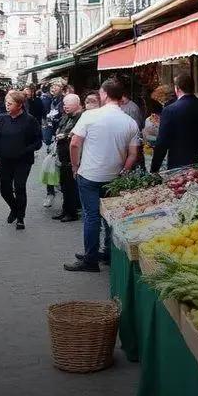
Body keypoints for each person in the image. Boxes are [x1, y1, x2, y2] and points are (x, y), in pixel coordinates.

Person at [66, 79, 141, 272]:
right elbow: (133, 154)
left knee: (91, 217)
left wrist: (75, 166)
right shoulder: (130, 122)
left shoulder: (90, 116)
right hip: (114, 177)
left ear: (105, 94)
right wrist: (124, 169)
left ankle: (91, 258)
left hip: (89, 174)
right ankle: (108, 253)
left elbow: (74, 144)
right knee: (109, 217)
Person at [0, 91, 42, 230]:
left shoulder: (30, 120)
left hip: (23, 161)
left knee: (19, 187)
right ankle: (14, 208)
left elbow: (38, 142)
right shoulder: (2, 119)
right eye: (6, 103)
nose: (7, 105)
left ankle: (20, 218)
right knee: (5, 190)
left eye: (10, 103)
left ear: (20, 105)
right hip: (4, 160)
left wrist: (24, 150)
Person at [151, 75, 198, 173]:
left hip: (179, 167)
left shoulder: (169, 110)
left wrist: (154, 170)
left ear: (177, 89)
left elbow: (162, 143)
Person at [52, 94, 84, 222]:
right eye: (64, 104)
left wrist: (64, 135)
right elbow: (60, 127)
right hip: (63, 157)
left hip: (72, 158)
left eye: (68, 104)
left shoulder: (81, 117)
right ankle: (65, 210)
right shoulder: (67, 116)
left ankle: (72, 212)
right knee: (65, 186)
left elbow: (76, 135)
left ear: (77, 104)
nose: (65, 106)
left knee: (71, 186)